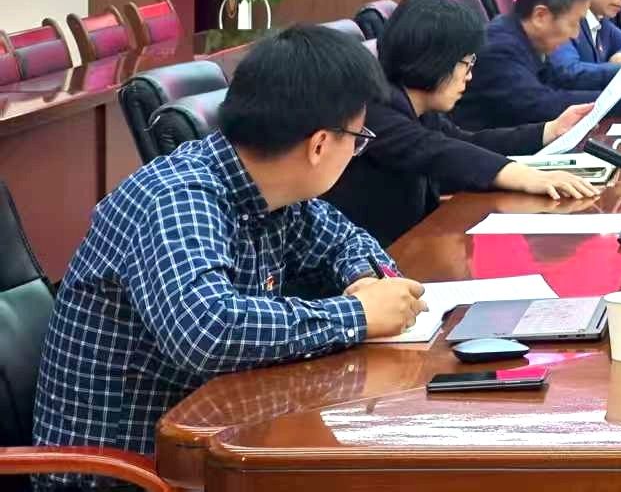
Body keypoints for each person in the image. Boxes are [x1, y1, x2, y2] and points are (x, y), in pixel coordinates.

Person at [32, 26, 428, 477]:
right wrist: (356, 314)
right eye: (357, 138)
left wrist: (365, 280)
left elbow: (347, 240)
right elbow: (207, 330)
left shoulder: (271, 191)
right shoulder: (178, 198)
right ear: (319, 144)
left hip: (211, 444)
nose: (356, 150)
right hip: (123, 475)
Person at [325, 0, 603, 246]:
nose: (469, 75)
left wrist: (549, 130)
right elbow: (437, 152)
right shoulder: (372, 109)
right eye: (466, 63)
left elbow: (466, 142)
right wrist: (527, 177)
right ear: (436, 59)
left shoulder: (416, 106)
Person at [453, 0, 621, 129]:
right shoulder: (500, 48)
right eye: (573, 23)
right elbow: (542, 105)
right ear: (541, 16)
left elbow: (560, 80)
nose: (575, 34)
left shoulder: (524, 37)